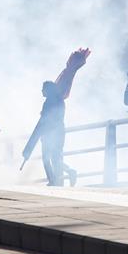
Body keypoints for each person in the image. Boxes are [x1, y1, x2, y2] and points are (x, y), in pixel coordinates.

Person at [22, 48, 90, 186]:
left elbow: (43, 122)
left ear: (48, 90)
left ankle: (53, 180)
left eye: (43, 89)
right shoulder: (59, 100)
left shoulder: (50, 102)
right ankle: (66, 173)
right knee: (56, 157)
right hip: (59, 131)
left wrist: (29, 146)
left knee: (47, 158)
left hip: (49, 133)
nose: (41, 91)